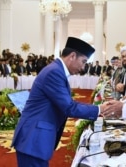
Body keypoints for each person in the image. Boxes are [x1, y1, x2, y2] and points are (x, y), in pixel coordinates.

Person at [11, 37, 107, 167]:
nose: (83, 67)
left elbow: (68, 103)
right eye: (83, 62)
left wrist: (97, 108)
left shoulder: (56, 70)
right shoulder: (54, 72)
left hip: (35, 138)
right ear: (72, 56)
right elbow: (69, 107)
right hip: (33, 138)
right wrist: (100, 109)